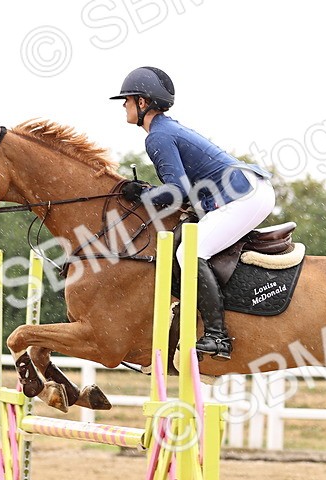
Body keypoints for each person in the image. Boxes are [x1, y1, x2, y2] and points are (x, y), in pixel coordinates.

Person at [111, 66, 275, 360]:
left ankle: (217, 336)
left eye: (128, 98)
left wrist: (143, 195)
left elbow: (178, 191)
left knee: (190, 252)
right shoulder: (165, 130)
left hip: (244, 196)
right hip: (242, 191)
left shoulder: (157, 136)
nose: (124, 104)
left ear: (143, 102)